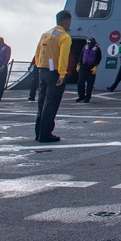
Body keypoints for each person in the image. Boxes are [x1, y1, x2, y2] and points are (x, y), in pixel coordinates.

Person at [33, 10, 72, 143]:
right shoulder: (64, 37)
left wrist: (39, 67)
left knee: (41, 102)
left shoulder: (45, 34)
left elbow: (37, 53)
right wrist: (62, 74)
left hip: (42, 71)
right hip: (54, 72)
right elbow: (63, 57)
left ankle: (38, 132)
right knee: (51, 103)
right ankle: (45, 134)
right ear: (67, 22)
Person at [75, 37, 102, 103]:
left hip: (91, 67)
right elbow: (81, 55)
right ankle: (81, 96)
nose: (88, 44)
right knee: (80, 82)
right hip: (83, 66)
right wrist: (79, 64)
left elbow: (99, 57)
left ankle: (87, 97)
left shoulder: (97, 49)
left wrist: (96, 65)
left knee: (90, 84)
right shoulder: (85, 47)